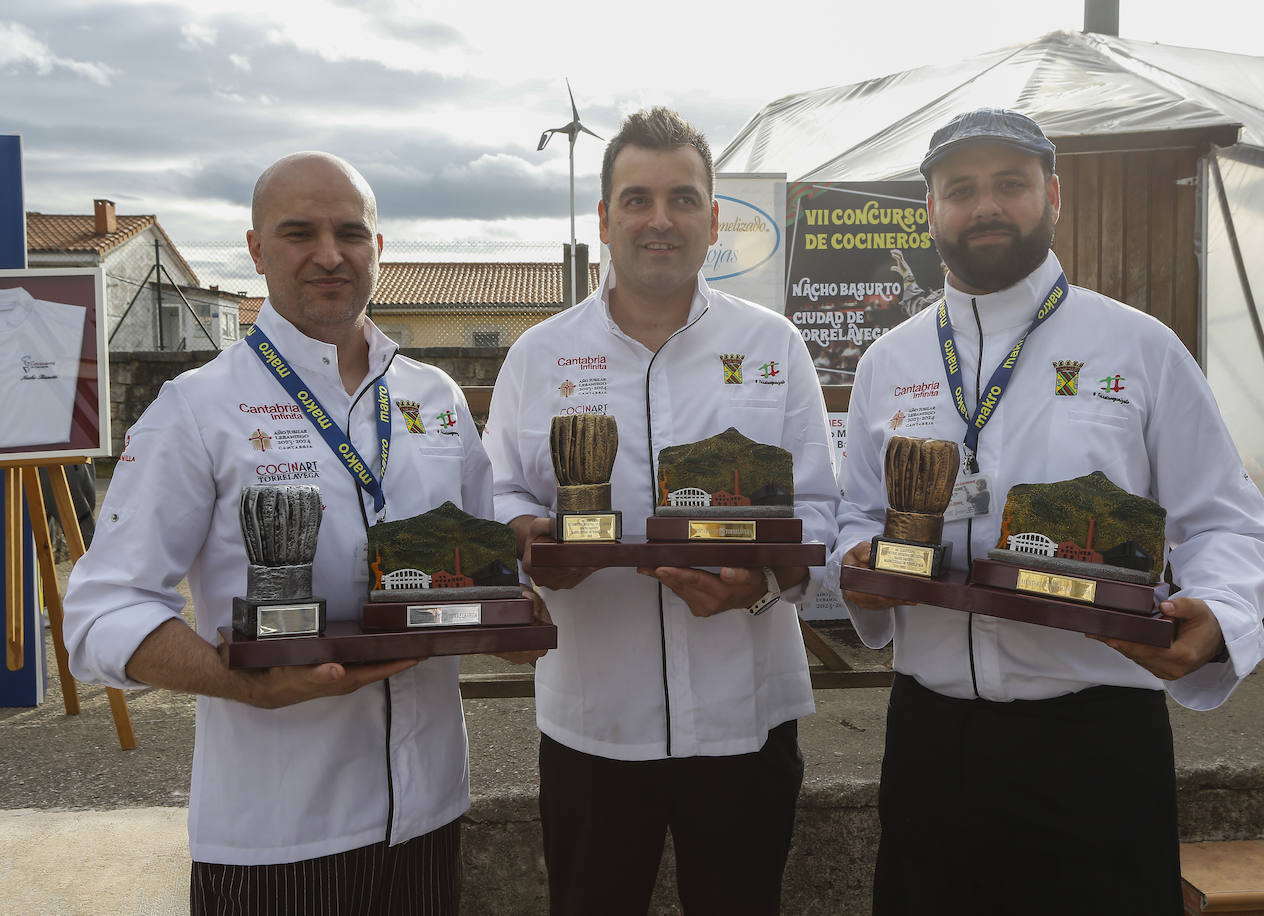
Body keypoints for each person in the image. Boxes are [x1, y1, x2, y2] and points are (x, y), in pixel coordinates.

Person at [830, 109, 1264, 915]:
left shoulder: (1139, 348)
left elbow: (1229, 522)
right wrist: (858, 570)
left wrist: (1218, 611)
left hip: (1097, 742)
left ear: (1054, 196)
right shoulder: (888, 361)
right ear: (931, 210)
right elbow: (858, 516)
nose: (986, 207)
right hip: (931, 742)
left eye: (1010, 184)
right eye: (960, 189)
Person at [63, 152, 492, 914]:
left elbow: (489, 575)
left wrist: (525, 608)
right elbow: (101, 614)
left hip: (428, 813)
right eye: (300, 232)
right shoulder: (196, 408)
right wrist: (245, 686)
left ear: (378, 248)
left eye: (350, 233)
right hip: (280, 835)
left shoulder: (437, 397)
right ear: (257, 248)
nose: (329, 254)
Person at [484, 107, 839, 915]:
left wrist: (757, 587)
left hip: (746, 713)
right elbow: (498, 491)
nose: (659, 220)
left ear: (714, 220)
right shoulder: (539, 354)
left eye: (682, 199)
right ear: (604, 218)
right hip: (594, 719)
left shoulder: (775, 344)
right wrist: (527, 538)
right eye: (636, 199)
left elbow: (820, 505)